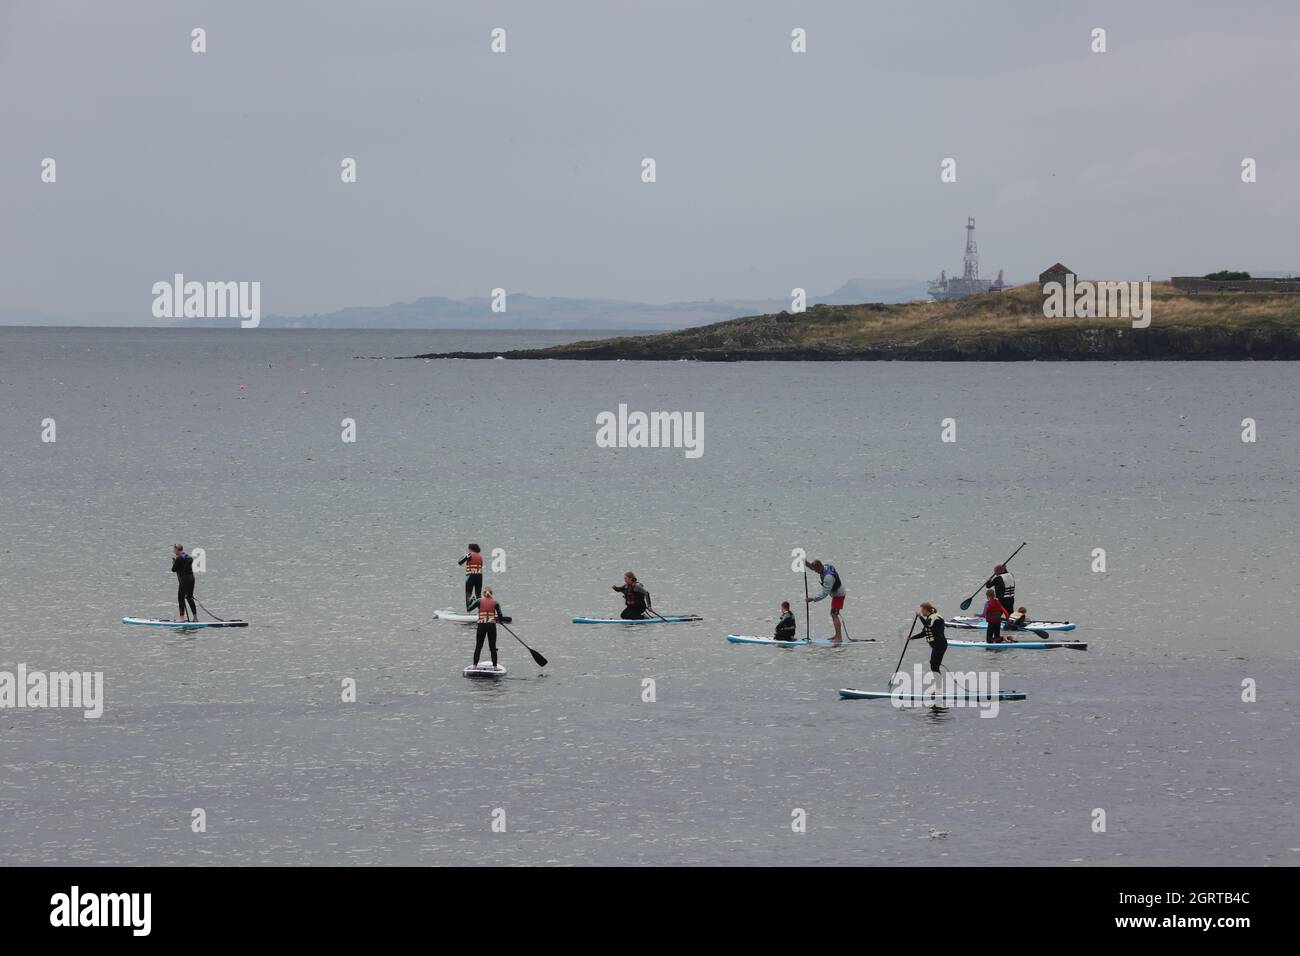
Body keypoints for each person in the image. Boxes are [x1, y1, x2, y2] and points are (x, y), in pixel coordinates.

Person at [804, 559, 846, 642]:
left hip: (839, 595)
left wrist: (812, 599)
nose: (815, 572)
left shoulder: (828, 577)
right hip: (836, 594)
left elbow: (824, 594)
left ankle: (839, 637)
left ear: (819, 567)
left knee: (834, 614)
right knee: (833, 614)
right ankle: (837, 635)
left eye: (816, 570)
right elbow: (813, 568)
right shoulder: (825, 566)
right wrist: (804, 562)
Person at [911, 601, 947, 681]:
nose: (921, 612)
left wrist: (920, 617)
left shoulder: (935, 617)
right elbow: (924, 633)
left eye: (922, 610)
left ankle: (938, 688)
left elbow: (928, 626)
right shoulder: (929, 618)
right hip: (936, 646)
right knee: (933, 665)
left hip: (940, 645)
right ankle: (938, 687)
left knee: (934, 666)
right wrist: (912, 637)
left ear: (926, 609)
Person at [471, 585, 503, 667]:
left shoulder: (479, 601)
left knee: (478, 646)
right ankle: (495, 667)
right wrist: (499, 620)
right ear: (492, 593)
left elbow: (469, 608)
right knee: (493, 648)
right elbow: (500, 617)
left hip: (481, 626)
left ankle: (474, 665)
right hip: (491, 626)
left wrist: (472, 601)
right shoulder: (495, 602)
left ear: (483, 594)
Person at [172, 544, 197, 622]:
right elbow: (184, 566)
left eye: (174, 550)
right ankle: (195, 618)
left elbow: (173, 569)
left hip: (184, 580)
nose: (174, 551)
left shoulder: (179, 558)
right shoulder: (189, 557)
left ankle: (181, 619)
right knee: (189, 597)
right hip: (191, 579)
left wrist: (174, 562)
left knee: (180, 598)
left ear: (177, 550)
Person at [458, 544, 484, 611]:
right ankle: (481, 610)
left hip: (470, 576)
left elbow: (460, 562)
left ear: (471, 549)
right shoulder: (480, 557)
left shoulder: (469, 554)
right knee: (478, 594)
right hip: (479, 576)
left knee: (468, 593)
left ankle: (468, 610)